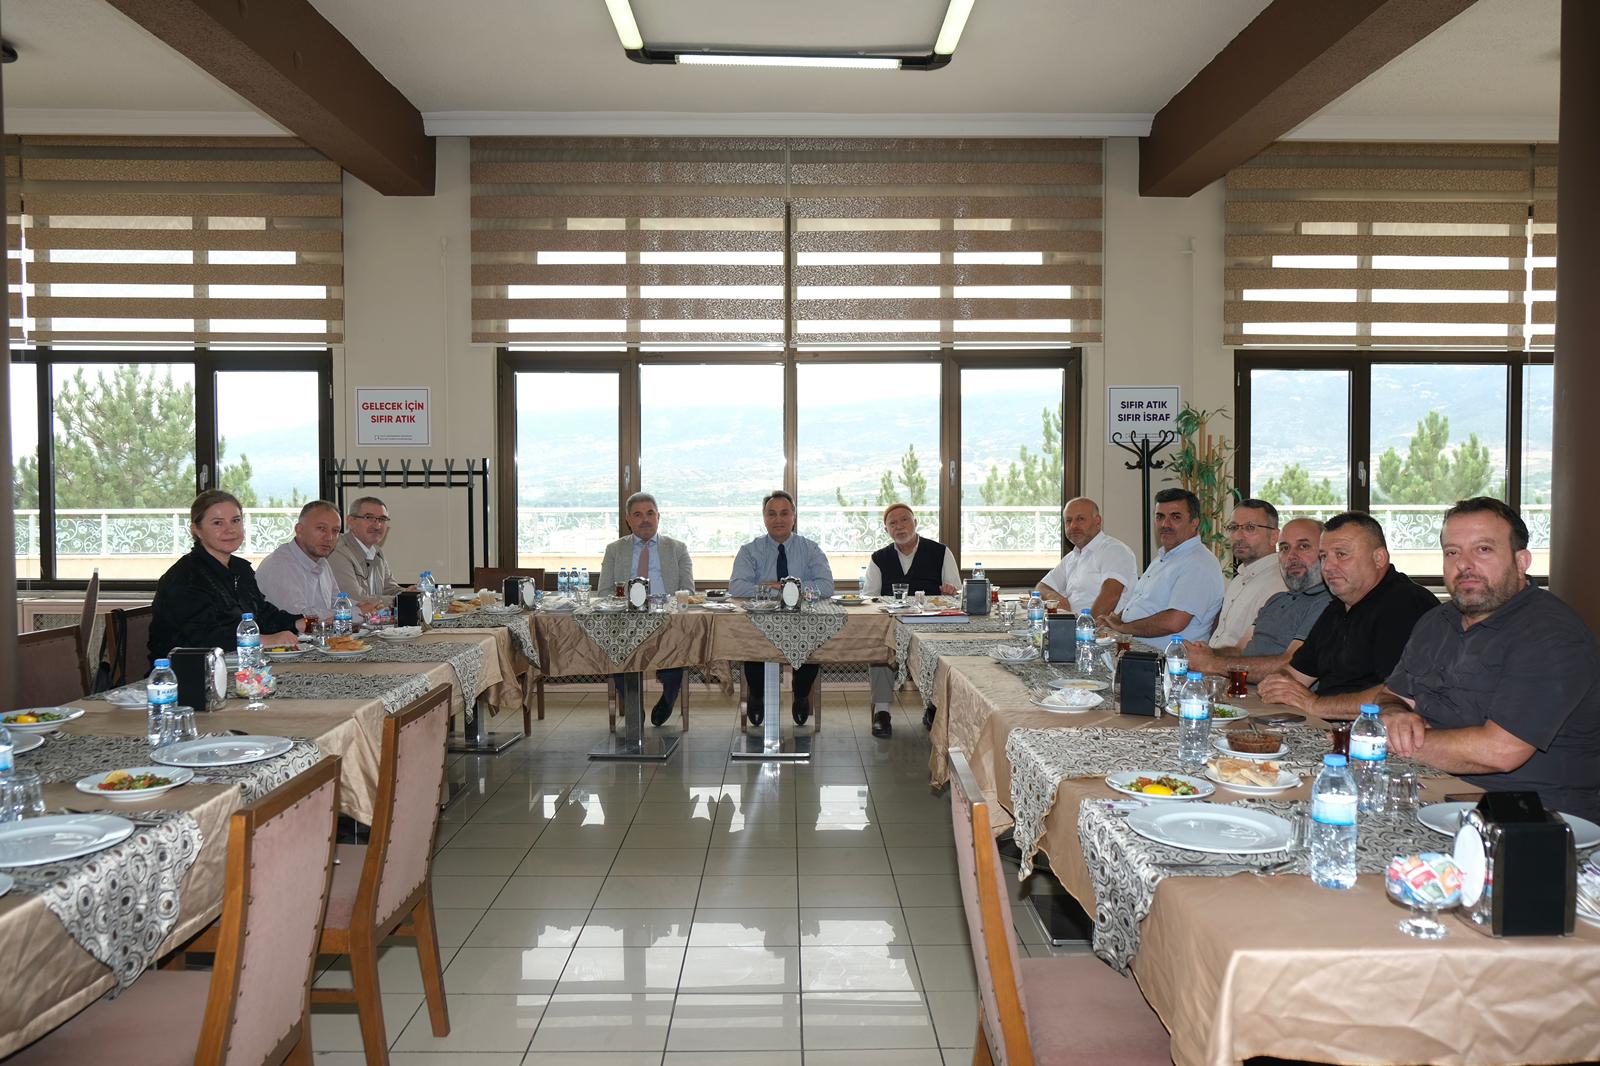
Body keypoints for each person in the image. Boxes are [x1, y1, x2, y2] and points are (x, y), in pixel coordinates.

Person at [1380, 498, 1600, 821]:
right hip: (1434, 793)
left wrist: (1385, 740)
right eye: (1452, 552)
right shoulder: (1436, 621)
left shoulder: (1551, 634)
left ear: (1521, 561)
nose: (1464, 565)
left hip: (1534, 820)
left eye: (1483, 550)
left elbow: (1499, 751)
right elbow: (1390, 696)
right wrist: (1395, 715)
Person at [1257, 511, 1437, 719]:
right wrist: (1277, 683)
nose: (1328, 567)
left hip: (1371, 732)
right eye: (1323, 557)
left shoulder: (1405, 605)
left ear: (1378, 558)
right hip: (1323, 725)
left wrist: (1315, 704)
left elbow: (1398, 695)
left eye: (1341, 555)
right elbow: (1296, 674)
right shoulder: (1337, 607)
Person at [149, 489, 301, 661]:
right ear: (197, 530)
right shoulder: (185, 577)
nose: (230, 530)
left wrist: (299, 623)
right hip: (186, 671)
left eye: (235, 521)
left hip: (241, 662)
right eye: (218, 523)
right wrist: (268, 640)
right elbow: (205, 637)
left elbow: (262, 614)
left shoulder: (240, 568)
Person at [728, 490, 835, 726]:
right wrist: (778, 590)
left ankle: (801, 694)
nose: (778, 519)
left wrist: (784, 588)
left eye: (784, 513)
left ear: (793, 517)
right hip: (760, 620)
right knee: (751, 640)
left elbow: (826, 586)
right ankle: (757, 695)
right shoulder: (749, 550)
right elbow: (736, 587)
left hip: (802, 620)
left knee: (813, 637)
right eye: (772, 514)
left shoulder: (810, 548)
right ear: (764, 518)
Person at [1185, 517, 1332, 679]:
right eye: (1284, 548)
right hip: (1238, 687)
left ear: (1324, 553)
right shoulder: (1276, 599)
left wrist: (1212, 664)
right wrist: (1207, 653)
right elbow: (1240, 650)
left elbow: (1292, 664)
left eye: (1303, 546)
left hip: (1273, 693)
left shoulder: (1327, 603)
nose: (1291, 556)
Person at [598, 492, 695, 726]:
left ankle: (669, 696)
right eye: (638, 515)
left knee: (677, 645)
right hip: (625, 621)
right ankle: (632, 703)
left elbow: (688, 591)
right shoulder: (614, 550)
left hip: (667, 619)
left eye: (650, 513)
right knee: (615, 646)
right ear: (628, 520)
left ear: (658, 517)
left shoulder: (677, 548)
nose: (645, 520)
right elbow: (604, 592)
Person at [863, 503, 958, 739]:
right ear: (886, 530)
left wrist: (949, 592)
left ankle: (933, 708)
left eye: (904, 520)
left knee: (940, 653)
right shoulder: (879, 558)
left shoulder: (940, 552)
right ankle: (882, 712)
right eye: (892, 523)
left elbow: (955, 593)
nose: (899, 526)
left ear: (915, 523)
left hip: (932, 625)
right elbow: (869, 597)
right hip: (892, 625)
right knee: (879, 649)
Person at [1097, 488, 1225, 650]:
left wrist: (1123, 628)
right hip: (1135, 648)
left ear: (1194, 522)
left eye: (1175, 517)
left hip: (1166, 659)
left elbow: (1174, 622)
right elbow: (1143, 602)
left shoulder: (1199, 563)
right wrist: (1115, 620)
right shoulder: (1164, 557)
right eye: (1160, 517)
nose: (1165, 524)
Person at [1033, 497, 1138, 618]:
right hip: (1074, 624)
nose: (1073, 526)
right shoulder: (1071, 557)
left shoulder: (1114, 550)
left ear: (1098, 522)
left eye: (1080, 519)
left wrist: (1084, 625)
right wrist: (1057, 599)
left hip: (1100, 628)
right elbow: (1041, 587)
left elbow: (1111, 597)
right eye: (1068, 521)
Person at [1206, 499, 1286, 650]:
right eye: (1233, 527)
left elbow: (1260, 651)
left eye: (1250, 528)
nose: (1238, 536)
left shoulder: (1280, 584)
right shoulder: (1239, 578)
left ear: (1274, 536)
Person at [255, 500, 342, 619]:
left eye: (335, 531)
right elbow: (300, 618)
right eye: (321, 528)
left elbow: (337, 602)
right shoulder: (280, 565)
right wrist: (350, 613)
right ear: (299, 530)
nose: (329, 537)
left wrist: (360, 608)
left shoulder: (322, 562)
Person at [330, 495, 404, 599]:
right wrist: (400, 601)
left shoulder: (377, 552)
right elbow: (356, 599)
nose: (377, 526)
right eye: (369, 518)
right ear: (350, 521)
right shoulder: (338, 551)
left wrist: (410, 593)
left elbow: (390, 589)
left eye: (382, 519)